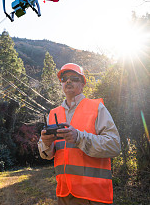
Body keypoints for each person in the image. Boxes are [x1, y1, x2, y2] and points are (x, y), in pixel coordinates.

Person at [38, 63, 121, 205]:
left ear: (83, 84)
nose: (68, 81)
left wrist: (79, 137)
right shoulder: (53, 113)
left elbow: (114, 145)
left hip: (93, 195)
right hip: (64, 194)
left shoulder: (96, 108)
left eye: (74, 78)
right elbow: (47, 154)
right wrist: (46, 143)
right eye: (64, 78)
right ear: (61, 84)